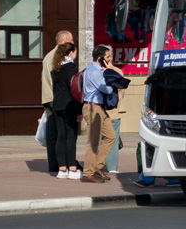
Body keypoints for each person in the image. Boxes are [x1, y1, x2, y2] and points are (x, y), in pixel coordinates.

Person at [81, 45, 116, 183]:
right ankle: (88, 173)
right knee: (93, 141)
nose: (110, 59)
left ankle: (97, 166)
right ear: (100, 58)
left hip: (100, 108)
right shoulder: (95, 71)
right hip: (92, 107)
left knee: (110, 136)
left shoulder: (98, 70)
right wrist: (111, 74)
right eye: (108, 57)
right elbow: (107, 89)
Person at [40, 29, 73, 175]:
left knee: (53, 134)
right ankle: (64, 163)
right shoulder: (58, 56)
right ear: (65, 41)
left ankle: (54, 164)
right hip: (58, 99)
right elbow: (60, 81)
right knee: (64, 133)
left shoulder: (48, 55)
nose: (73, 44)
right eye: (71, 41)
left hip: (48, 98)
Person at [49, 43, 81, 179]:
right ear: (71, 53)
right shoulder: (71, 68)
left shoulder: (56, 68)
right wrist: (79, 109)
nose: (76, 55)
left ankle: (62, 169)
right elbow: (75, 89)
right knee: (71, 137)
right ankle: (72, 169)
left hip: (57, 105)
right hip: (69, 106)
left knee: (61, 136)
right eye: (75, 52)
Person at [101, 49, 131, 174]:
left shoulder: (96, 71)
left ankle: (99, 166)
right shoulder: (117, 72)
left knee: (101, 139)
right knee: (112, 139)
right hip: (113, 110)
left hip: (102, 110)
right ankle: (112, 167)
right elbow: (122, 91)